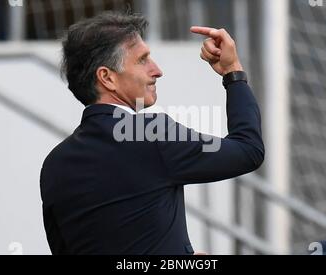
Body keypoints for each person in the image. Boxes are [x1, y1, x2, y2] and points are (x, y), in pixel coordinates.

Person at [40, 11, 264, 255]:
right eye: (142, 60)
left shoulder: (54, 165)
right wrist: (233, 72)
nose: (157, 70)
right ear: (107, 78)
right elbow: (248, 149)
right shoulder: (150, 134)